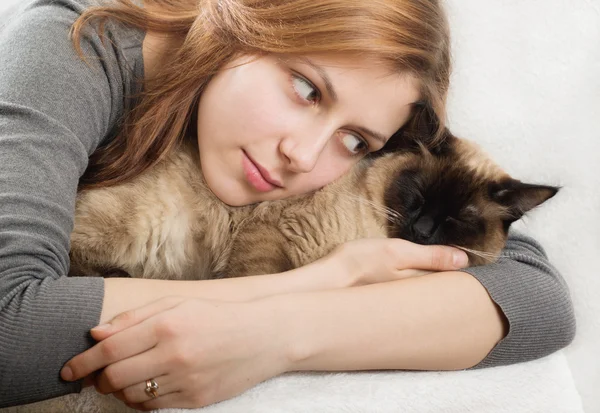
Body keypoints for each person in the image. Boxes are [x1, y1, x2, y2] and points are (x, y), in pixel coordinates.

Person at [0, 0, 576, 410]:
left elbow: (537, 300)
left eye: (355, 141)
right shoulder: (72, 43)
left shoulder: (386, 133)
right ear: (248, 19)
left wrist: (276, 336)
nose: (301, 155)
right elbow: (9, 324)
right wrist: (319, 281)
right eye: (305, 89)